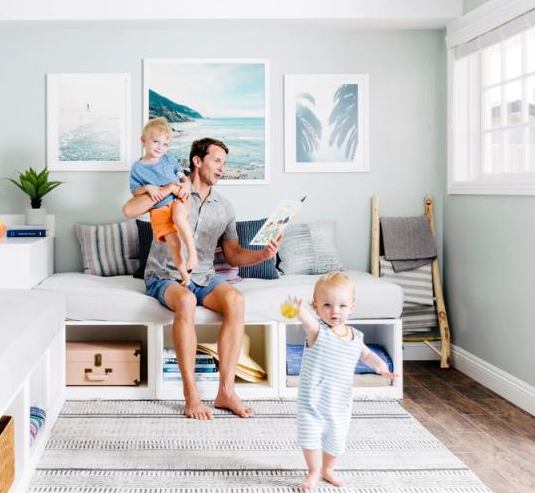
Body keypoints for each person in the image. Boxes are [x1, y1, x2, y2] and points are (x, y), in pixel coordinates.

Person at [123, 137, 281, 421]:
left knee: (235, 299)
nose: (222, 168)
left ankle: (226, 391)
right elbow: (129, 209)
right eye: (217, 161)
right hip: (164, 275)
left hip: (205, 276)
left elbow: (232, 255)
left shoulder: (226, 207)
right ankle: (191, 396)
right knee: (185, 301)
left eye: (224, 163)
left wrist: (263, 256)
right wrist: (159, 190)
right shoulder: (172, 190)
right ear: (198, 161)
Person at [286, 272, 397, 490]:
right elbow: (308, 322)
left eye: (342, 306)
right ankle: (314, 471)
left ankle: (328, 469)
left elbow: (365, 354)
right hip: (313, 400)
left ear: (351, 307)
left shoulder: (355, 336)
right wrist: (300, 312)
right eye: (327, 305)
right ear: (316, 306)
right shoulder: (318, 331)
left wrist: (380, 366)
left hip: (340, 402)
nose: (335, 311)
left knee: (336, 440)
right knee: (310, 437)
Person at [129, 118, 198, 284]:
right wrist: (147, 188)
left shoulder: (169, 160)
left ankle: (192, 252)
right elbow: (135, 190)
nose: (160, 147)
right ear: (143, 141)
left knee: (179, 218)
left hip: (176, 200)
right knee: (173, 244)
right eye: (156, 142)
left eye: (165, 144)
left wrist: (186, 186)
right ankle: (184, 275)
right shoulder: (137, 168)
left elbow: (184, 179)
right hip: (158, 210)